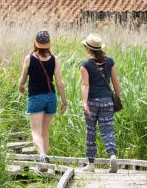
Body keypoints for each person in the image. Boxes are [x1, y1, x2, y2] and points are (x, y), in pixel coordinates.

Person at [18, 30, 67, 171]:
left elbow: (23, 79)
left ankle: (42, 156)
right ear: (48, 44)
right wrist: (64, 101)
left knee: (35, 132)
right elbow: (59, 83)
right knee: (44, 131)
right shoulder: (54, 59)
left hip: (36, 98)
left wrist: (21, 87)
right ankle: (43, 163)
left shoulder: (29, 58)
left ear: (36, 43)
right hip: (51, 97)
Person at [79, 33, 121, 173]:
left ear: (88, 48)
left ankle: (91, 164)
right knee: (108, 130)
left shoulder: (85, 65)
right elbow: (115, 82)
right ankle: (112, 155)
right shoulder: (110, 62)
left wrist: (85, 103)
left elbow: (85, 85)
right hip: (107, 101)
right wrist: (117, 97)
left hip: (92, 103)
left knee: (91, 132)